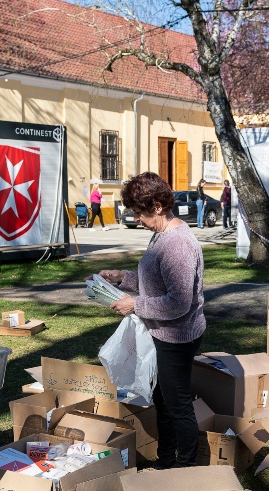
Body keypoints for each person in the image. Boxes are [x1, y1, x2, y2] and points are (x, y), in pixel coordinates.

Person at [100, 172, 206, 469]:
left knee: (178, 404)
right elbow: (154, 281)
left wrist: (136, 305)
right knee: (162, 398)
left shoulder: (177, 244)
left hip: (178, 335)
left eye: (139, 212)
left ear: (157, 206)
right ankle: (165, 459)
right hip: (163, 332)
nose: (137, 218)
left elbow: (179, 302)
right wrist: (122, 278)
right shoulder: (161, 235)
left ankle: (184, 468)